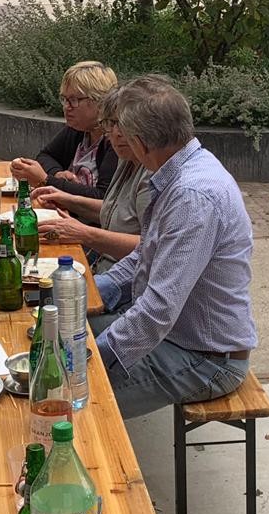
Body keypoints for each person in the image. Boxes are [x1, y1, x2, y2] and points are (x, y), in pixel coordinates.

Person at [89, 76, 256, 419]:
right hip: (179, 338)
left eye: (121, 131)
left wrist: (85, 360)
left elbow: (157, 310)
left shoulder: (192, 196)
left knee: (67, 395)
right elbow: (142, 257)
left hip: (207, 359)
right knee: (62, 333)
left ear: (140, 144)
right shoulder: (181, 171)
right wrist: (85, 292)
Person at [34, 88, 153, 273]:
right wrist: (65, 198)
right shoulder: (127, 158)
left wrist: (84, 233)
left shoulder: (152, 172)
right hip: (103, 261)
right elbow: (113, 210)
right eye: (110, 124)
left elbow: (151, 248)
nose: (115, 133)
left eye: (123, 124)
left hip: (119, 273)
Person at [9, 60, 119, 200]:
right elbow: (45, 155)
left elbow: (103, 198)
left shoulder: (116, 141)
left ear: (99, 101)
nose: (66, 107)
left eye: (73, 100)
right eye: (64, 99)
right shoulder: (78, 128)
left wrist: (46, 180)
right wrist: (57, 173)